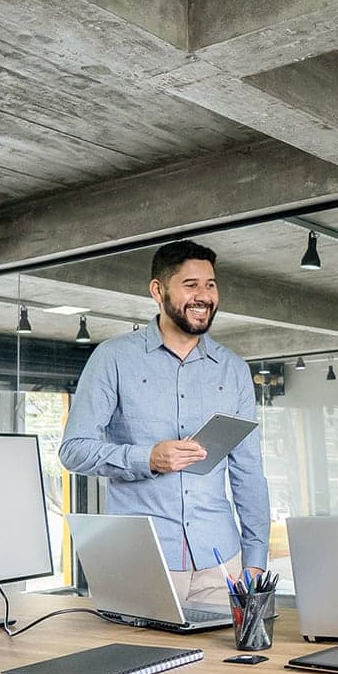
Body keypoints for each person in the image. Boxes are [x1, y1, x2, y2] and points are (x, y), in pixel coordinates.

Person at [59, 240, 269, 604]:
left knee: (227, 662)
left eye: (211, 284)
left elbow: (248, 471)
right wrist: (148, 459)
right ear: (158, 291)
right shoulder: (113, 358)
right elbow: (73, 451)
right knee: (143, 661)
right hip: (142, 561)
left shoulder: (233, 369)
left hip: (222, 564)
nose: (204, 296)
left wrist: (255, 558)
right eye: (191, 285)